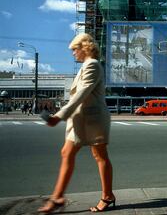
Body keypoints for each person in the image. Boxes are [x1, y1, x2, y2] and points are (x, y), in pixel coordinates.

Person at [38, 33, 115, 213]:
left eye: (75, 49)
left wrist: (59, 116)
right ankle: (57, 197)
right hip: (81, 119)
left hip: (93, 119)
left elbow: (81, 94)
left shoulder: (93, 65)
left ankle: (107, 196)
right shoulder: (86, 66)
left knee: (100, 156)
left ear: (85, 47)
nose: (73, 53)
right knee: (66, 152)